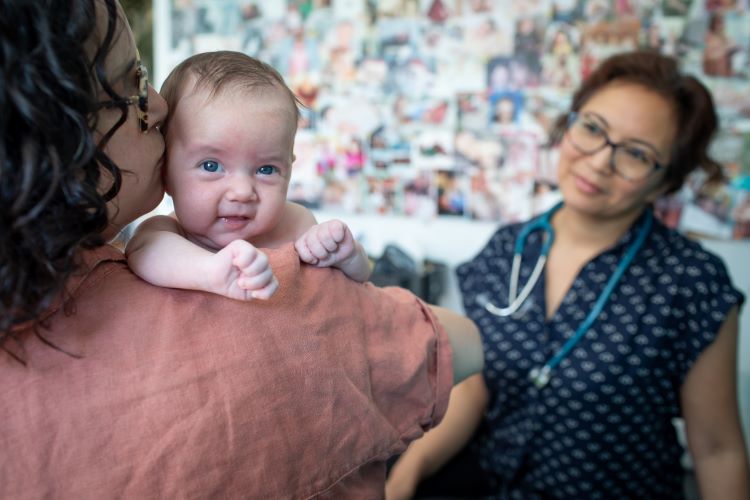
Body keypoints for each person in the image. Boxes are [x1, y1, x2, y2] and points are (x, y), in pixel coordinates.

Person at [0, 1, 484, 498]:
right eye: (132, 84)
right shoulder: (163, 239)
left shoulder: (292, 221)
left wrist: (344, 254)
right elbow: (460, 341)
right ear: (63, 133)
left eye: (267, 170)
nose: (242, 191)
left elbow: (358, 272)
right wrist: (215, 272)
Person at [386, 50, 750, 499]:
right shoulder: (508, 250)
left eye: (636, 154)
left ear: (665, 181)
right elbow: (478, 386)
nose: (598, 161)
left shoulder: (692, 282)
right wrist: (410, 469)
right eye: (593, 129)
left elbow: (717, 449)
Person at [125, 50, 370, 301]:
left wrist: (349, 257)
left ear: (289, 168)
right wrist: (210, 271)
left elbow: (359, 282)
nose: (242, 191)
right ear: (165, 171)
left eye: (266, 170)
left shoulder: (297, 223)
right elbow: (143, 253)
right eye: (211, 166)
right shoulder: (168, 234)